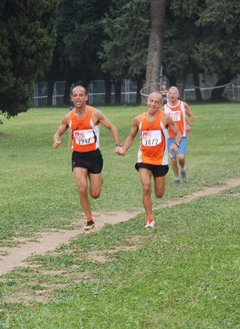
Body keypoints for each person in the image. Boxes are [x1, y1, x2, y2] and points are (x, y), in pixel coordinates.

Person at [53, 85, 121, 231]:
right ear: (72, 98)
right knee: (82, 187)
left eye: (81, 95)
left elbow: (112, 127)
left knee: (95, 194)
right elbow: (58, 132)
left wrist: (118, 144)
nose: (78, 98)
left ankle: (99, 180)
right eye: (75, 95)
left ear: (86, 97)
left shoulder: (95, 113)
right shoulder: (68, 117)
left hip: (94, 156)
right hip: (78, 156)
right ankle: (89, 219)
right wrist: (56, 140)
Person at [116, 91, 182, 229]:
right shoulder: (138, 119)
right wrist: (123, 149)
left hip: (160, 160)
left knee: (159, 194)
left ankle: (152, 211)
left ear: (160, 104)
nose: (153, 104)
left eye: (156, 102)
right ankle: (149, 218)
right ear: (147, 101)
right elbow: (131, 137)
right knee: (146, 187)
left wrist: (175, 144)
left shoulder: (165, 118)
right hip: (144, 159)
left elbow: (178, 133)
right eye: (151, 101)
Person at [163, 86, 194, 184]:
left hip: (182, 136)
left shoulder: (183, 105)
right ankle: (176, 178)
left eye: (174, 93)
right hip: (170, 137)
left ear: (178, 95)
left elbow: (191, 115)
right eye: (170, 93)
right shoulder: (165, 108)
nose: (172, 95)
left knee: (181, 157)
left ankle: (183, 169)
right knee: (173, 159)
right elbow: (162, 122)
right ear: (168, 95)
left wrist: (189, 124)